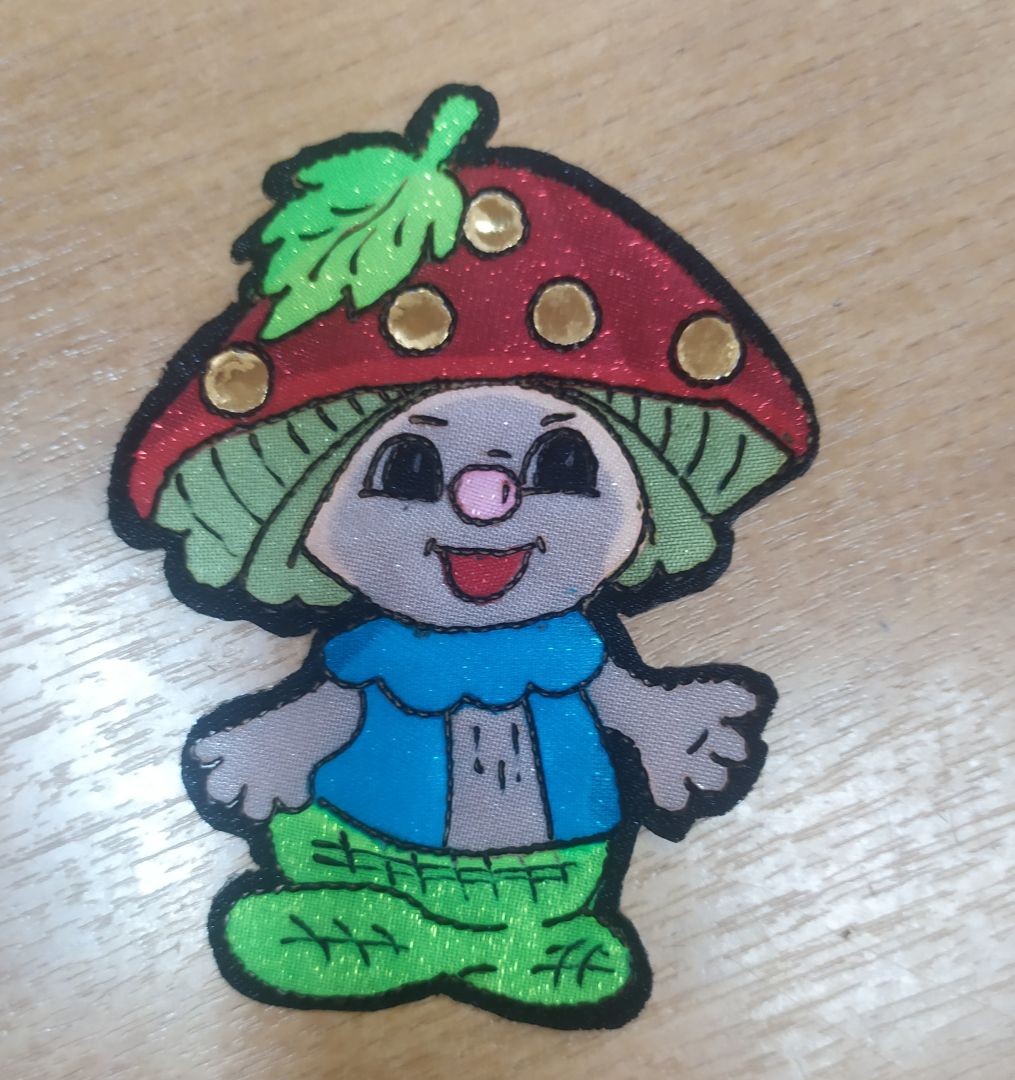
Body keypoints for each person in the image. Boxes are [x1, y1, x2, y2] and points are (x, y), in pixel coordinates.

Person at [110, 85, 817, 1028]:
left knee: (569, 950)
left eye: (560, 463)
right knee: (348, 922)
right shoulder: (376, 654)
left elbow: (625, 702)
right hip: (365, 845)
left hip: (554, 865)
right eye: (409, 469)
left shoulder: (570, 648)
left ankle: (502, 938)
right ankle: (414, 930)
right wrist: (266, 748)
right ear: (303, 509)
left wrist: (666, 727)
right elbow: (324, 711)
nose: (487, 504)